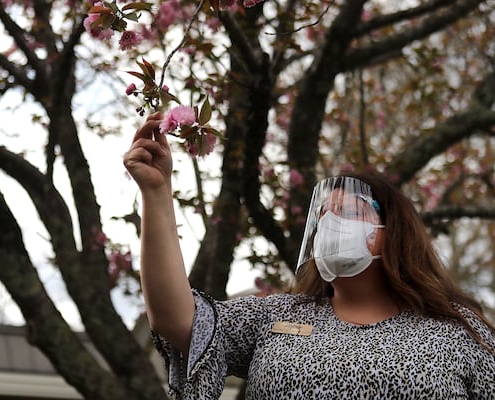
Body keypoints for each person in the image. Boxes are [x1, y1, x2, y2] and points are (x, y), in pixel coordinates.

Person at [123, 112, 495, 399]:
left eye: (348, 212)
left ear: (392, 233)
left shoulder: (460, 333)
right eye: (323, 216)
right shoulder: (274, 316)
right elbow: (178, 320)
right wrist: (156, 193)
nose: (331, 225)